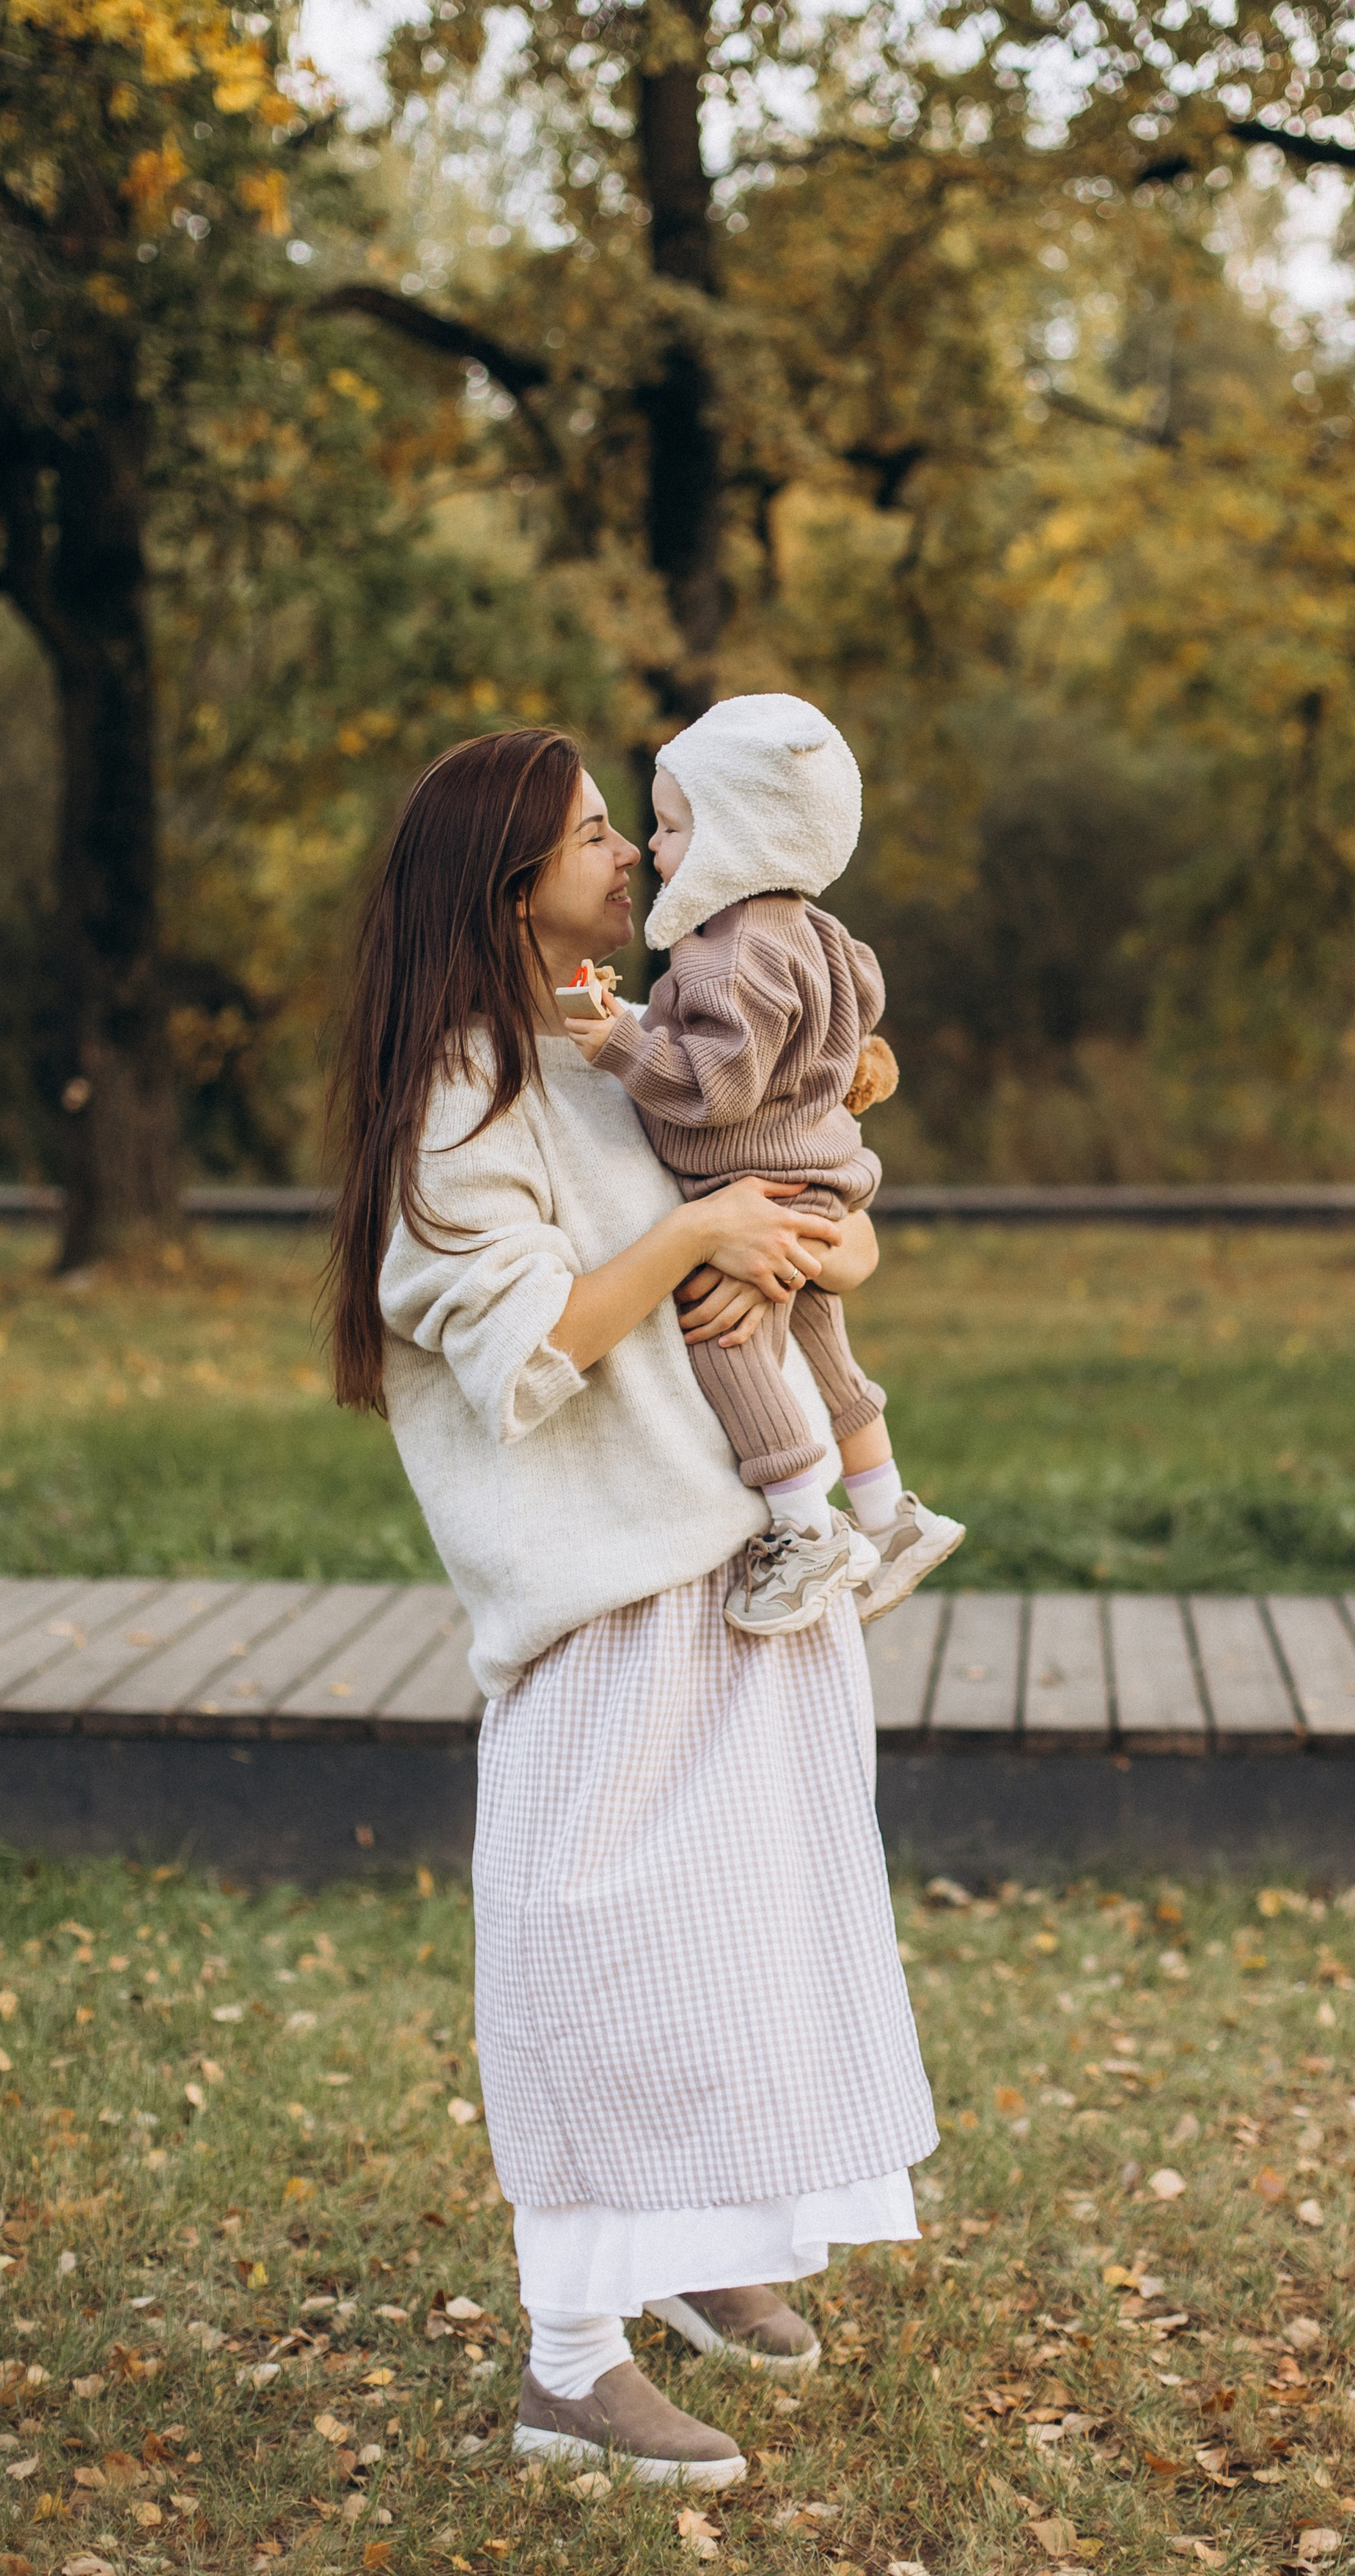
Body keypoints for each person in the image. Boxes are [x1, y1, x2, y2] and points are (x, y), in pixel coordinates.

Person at [325, 727, 938, 2490]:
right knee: (592, 1948)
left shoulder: (627, 1037)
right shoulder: (457, 1089)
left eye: (624, 827)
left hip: (736, 1560)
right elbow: (530, 1341)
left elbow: (815, 1207)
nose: (632, 857)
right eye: (598, 835)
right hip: (604, 1587)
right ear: (504, 880)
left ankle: (690, 2244)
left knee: (747, 1932)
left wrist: (805, 1241)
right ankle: (567, 2360)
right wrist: (702, 1240)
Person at [562, 691, 964, 1639]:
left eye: (668, 827)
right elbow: (833, 1027)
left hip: (749, 1179)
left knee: (724, 1334)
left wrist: (614, 1036)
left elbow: (718, 1086)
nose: (650, 850)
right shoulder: (816, 930)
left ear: (734, 839)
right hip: (817, 1177)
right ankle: (890, 1514)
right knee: (824, 1344)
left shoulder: (726, 955)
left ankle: (800, 1527)